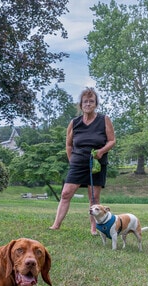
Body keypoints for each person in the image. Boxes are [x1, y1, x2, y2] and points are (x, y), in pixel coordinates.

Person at [49, 87, 116, 234]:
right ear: (81, 105)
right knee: (66, 193)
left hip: (96, 164)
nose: (88, 104)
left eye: (91, 101)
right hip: (78, 163)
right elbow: (68, 144)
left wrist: (101, 151)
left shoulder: (104, 119)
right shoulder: (75, 122)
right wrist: (72, 161)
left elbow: (112, 141)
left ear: (96, 104)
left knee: (94, 198)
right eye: (85, 101)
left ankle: (94, 228)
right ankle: (56, 224)